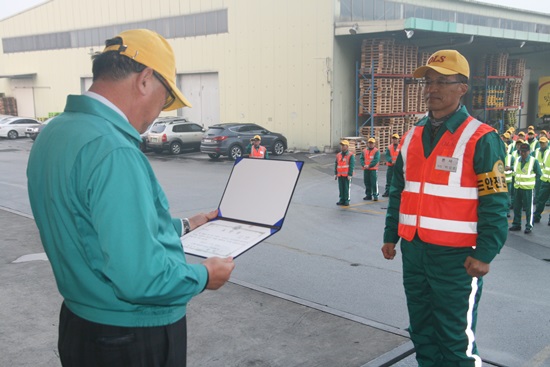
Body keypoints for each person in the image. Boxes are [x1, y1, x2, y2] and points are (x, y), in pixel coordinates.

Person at [26, 29, 235, 367]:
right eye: (165, 99)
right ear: (145, 80)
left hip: (81, 325)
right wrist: (204, 276)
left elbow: (93, 224)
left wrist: (184, 225)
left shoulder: (57, 131)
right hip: (130, 338)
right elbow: (141, 278)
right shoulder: (113, 149)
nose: (159, 113)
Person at [381, 49, 508, 367]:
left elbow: (495, 201)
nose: (432, 89)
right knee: (422, 332)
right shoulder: (412, 136)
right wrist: (390, 235)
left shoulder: (482, 138)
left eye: (442, 81)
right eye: (428, 81)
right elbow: (399, 190)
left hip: (457, 260)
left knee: (455, 341)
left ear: (462, 87)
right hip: (414, 251)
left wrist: (486, 253)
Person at [509, 143, 542, 233]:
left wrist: (536, 187)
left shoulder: (533, 161)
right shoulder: (517, 160)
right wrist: (510, 168)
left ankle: (529, 226)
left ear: (529, 151)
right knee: (517, 207)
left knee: (528, 209)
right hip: (518, 187)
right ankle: (516, 224)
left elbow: (539, 174)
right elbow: (516, 169)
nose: (523, 153)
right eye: (521, 151)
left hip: (528, 189)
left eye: (525, 152)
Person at [533, 136, 550, 224]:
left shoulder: (548, 151)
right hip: (545, 180)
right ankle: (536, 216)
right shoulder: (538, 151)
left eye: (543, 143)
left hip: (545, 179)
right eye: (541, 143)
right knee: (540, 200)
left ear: (547, 143)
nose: (542, 144)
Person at [335, 140, 355, 206]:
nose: (342, 147)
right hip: (340, 174)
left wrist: (350, 174)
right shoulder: (338, 155)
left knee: (346, 188)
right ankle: (341, 199)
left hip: (346, 175)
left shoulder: (350, 155)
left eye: (343, 145)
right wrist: (336, 173)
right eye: (342, 145)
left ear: (347, 146)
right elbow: (336, 164)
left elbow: (351, 165)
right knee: (341, 188)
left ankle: (346, 200)